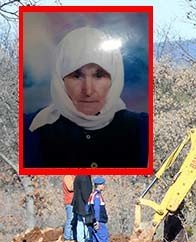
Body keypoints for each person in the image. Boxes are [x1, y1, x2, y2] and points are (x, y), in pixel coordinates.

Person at [23, 26, 148, 168]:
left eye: (99, 75)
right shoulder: (31, 129)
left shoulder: (141, 128)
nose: (88, 90)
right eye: (76, 76)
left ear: (114, 78)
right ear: (60, 79)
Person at [88, 177, 109, 242]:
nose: (104, 186)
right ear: (99, 185)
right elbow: (96, 210)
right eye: (103, 184)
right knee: (104, 240)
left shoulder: (91, 195)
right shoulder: (97, 196)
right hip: (99, 222)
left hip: (92, 222)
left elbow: (87, 209)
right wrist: (96, 221)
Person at [72, 175, 92, 242]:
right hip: (84, 205)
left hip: (78, 204)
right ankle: (88, 241)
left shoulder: (78, 176)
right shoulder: (85, 177)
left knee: (80, 222)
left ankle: (80, 240)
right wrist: (89, 203)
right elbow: (86, 194)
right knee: (87, 222)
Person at [62, 175, 75, 241]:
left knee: (74, 220)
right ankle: (67, 237)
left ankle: (72, 237)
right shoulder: (68, 176)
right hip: (69, 201)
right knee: (70, 219)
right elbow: (70, 187)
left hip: (74, 202)